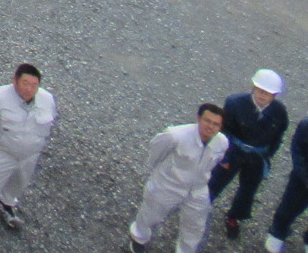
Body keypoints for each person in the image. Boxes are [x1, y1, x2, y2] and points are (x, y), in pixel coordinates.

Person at [0, 63, 57, 241]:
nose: (30, 89)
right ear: (15, 81)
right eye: (25, 83)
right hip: (1, 154)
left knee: (19, 183)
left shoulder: (47, 99)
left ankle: (7, 204)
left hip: (29, 156)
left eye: (34, 85)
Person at [130, 104, 230, 253]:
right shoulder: (175, 135)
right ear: (198, 119)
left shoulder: (222, 142)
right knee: (151, 214)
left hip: (198, 190)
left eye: (216, 124)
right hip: (168, 185)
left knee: (195, 226)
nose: (210, 127)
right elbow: (155, 153)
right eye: (207, 121)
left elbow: (214, 163)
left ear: (221, 127)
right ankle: (139, 237)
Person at [212, 71, 288, 239]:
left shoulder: (280, 112)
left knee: (248, 191)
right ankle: (200, 207)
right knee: (216, 181)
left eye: (267, 93)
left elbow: (277, 137)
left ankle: (234, 217)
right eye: (260, 90)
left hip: (256, 157)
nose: (262, 96)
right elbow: (224, 130)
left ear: (274, 95)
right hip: (234, 151)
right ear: (253, 87)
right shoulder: (234, 103)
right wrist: (224, 156)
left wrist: (267, 156)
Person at [262, 112, 308, 253]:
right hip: (303, 176)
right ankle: (277, 232)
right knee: (290, 206)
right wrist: (304, 176)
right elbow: (297, 150)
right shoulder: (306, 125)